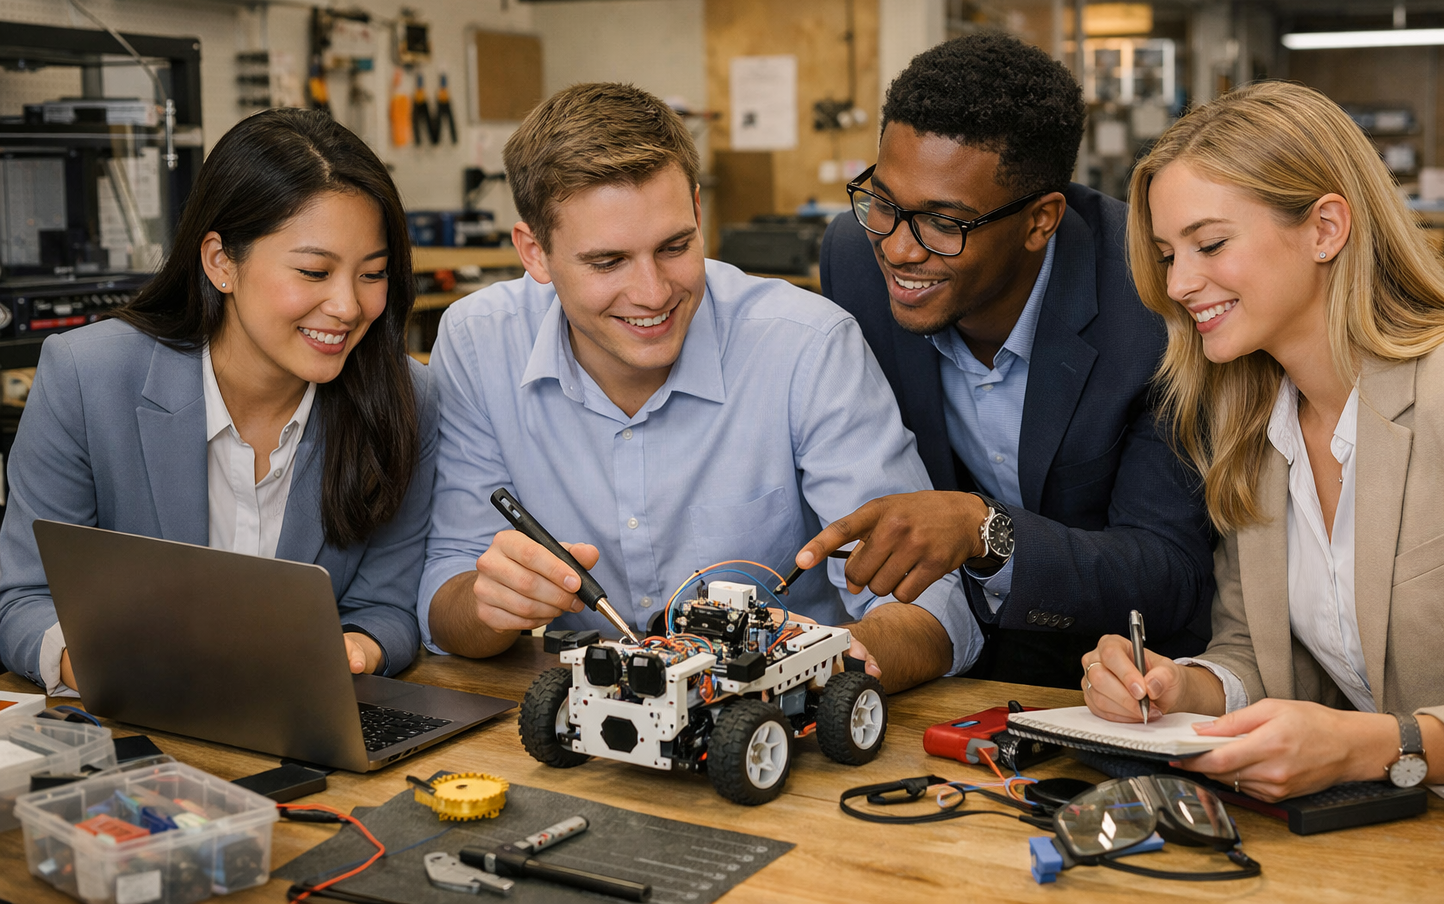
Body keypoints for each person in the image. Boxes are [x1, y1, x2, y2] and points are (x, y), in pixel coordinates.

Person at [419, 82, 979, 692]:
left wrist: (821, 665)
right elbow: (446, 595)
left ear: (697, 212)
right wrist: (490, 605)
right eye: (608, 262)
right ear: (534, 253)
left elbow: (933, 609)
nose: (653, 293)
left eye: (675, 246)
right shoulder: (478, 342)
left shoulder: (805, 345)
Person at [1081, 81, 1444, 805]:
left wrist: (1380, 747)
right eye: (1168, 254)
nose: (1179, 282)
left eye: (1209, 244)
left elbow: (1364, 736)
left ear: (1326, 228)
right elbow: (1261, 659)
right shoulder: (1252, 429)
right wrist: (1178, 686)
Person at [800, 32, 1214, 687]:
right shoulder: (854, 256)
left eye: (943, 222)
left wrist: (985, 531)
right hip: (948, 663)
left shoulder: (1152, 304)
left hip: (1125, 677)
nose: (901, 250)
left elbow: (1171, 573)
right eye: (883, 201)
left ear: (1040, 221)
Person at [0, 109, 437, 693]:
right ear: (220, 262)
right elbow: (23, 599)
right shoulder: (87, 375)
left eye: (373, 273)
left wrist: (358, 647)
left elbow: (389, 605)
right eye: (313, 271)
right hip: (134, 725)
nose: (348, 307)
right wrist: (102, 665)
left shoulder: (405, 397)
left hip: (309, 724)